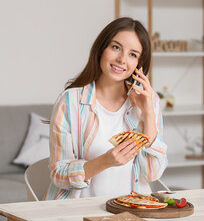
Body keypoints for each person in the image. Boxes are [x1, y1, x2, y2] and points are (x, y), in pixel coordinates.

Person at [44, 17, 167, 200]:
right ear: (101, 49)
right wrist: (105, 161)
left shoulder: (150, 101)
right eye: (116, 47)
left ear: (139, 65)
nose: (122, 60)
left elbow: (152, 174)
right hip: (80, 212)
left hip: (132, 211)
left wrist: (148, 115)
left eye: (133, 54)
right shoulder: (70, 101)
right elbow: (58, 173)